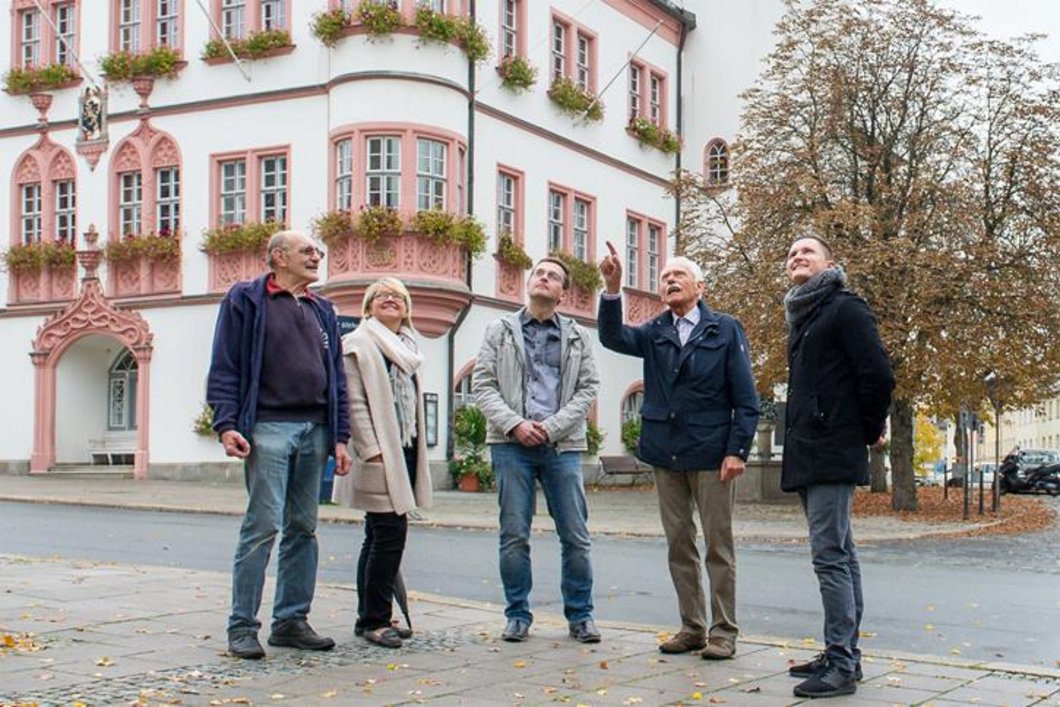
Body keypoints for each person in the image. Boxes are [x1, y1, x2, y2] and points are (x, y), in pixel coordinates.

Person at [598, 243, 759, 660]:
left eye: (678, 276)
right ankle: (692, 627)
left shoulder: (725, 329)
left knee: (718, 546)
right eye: (664, 277)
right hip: (665, 453)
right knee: (679, 544)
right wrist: (612, 288)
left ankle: (724, 632)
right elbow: (614, 336)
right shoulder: (655, 331)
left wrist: (737, 449)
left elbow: (746, 397)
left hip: (711, 453)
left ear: (699, 287)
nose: (669, 281)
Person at [207, 230, 352, 660]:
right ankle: (242, 626)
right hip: (268, 427)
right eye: (307, 250)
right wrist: (226, 423)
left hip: (315, 429)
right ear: (277, 257)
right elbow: (225, 365)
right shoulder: (246, 299)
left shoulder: (321, 308)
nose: (316, 256)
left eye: (318, 251)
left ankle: (290, 620)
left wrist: (340, 436)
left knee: (303, 528)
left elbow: (337, 379)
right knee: (263, 524)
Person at [781, 235, 894, 699]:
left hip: (832, 451)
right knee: (842, 555)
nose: (797, 257)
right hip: (812, 451)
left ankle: (842, 663)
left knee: (829, 556)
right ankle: (844, 653)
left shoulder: (845, 308)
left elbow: (879, 374)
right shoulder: (806, 316)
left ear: (830, 263)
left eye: (808, 251)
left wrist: (864, 431)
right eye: (791, 254)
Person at [472, 257, 601, 644]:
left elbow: (588, 389)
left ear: (563, 293)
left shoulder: (578, 336)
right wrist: (515, 423)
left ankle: (581, 616)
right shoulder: (500, 330)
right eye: (539, 273)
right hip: (511, 445)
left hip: (562, 447)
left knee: (576, 536)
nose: (544, 278)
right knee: (514, 534)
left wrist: (551, 427)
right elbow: (482, 385)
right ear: (529, 284)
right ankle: (516, 615)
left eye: (554, 277)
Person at [332, 277, 432, 649]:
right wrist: (371, 450)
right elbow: (354, 401)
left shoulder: (408, 346)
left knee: (376, 534)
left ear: (407, 307)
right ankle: (376, 619)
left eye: (398, 296)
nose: (390, 300)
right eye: (382, 296)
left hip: (402, 449)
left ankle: (368, 616)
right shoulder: (357, 343)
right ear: (368, 306)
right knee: (389, 534)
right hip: (378, 453)